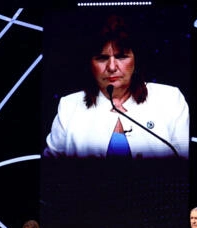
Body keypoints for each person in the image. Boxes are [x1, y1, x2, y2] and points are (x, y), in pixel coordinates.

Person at [43, 14, 189, 159]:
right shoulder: (69, 106)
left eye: (121, 57)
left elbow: (185, 164)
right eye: (102, 58)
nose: (112, 67)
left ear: (135, 60)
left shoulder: (169, 98)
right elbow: (49, 171)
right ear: (90, 64)